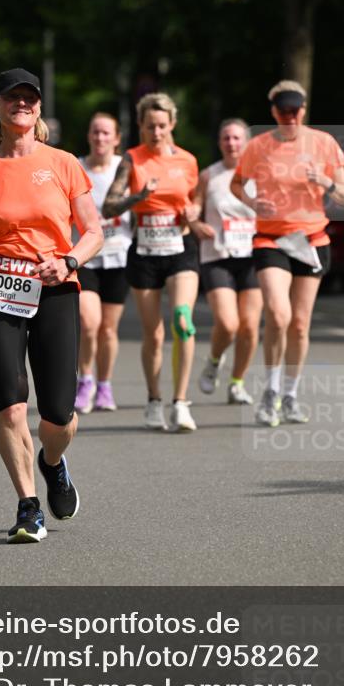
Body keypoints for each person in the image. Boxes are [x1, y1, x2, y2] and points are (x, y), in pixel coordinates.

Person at [0, 68, 102, 543]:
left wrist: (70, 260)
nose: (22, 104)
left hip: (55, 286)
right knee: (11, 405)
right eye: (12, 97)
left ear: (38, 108)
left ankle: (52, 461)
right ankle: (27, 506)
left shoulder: (63, 163)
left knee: (58, 414)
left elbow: (94, 231)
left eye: (30, 98)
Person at [230, 81, 344, 425]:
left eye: (295, 111)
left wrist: (326, 182)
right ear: (273, 112)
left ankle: (290, 394)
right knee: (278, 314)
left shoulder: (324, 144)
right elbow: (236, 183)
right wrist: (254, 202)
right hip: (270, 240)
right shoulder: (258, 146)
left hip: (311, 240)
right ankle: (269, 392)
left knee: (299, 325)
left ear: (304, 109)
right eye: (283, 112)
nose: (290, 117)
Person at [102, 92, 200, 432]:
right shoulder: (131, 160)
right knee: (154, 335)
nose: (156, 133)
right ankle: (155, 399)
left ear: (172, 124)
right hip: (144, 251)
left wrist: (194, 212)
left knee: (182, 320)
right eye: (149, 127)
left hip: (180, 247)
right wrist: (139, 197)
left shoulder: (187, 161)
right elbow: (108, 207)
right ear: (141, 126)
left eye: (161, 126)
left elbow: (195, 202)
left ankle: (181, 402)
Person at [191, 119, 262, 404]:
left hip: (253, 256)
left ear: (246, 142)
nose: (232, 144)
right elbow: (194, 208)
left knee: (249, 326)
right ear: (220, 143)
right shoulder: (209, 175)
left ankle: (237, 382)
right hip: (217, 255)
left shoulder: (260, 176)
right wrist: (196, 224)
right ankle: (214, 361)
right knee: (228, 323)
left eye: (236, 138)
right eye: (226, 139)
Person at [74, 113, 133, 413]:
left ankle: (105, 386)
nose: (100, 138)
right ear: (89, 136)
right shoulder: (77, 167)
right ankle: (85, 381)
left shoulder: (126, 169)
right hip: (85, 256)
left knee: (108, 330)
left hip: (118, 256)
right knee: (88, 323)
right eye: (95, 132)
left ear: (117, 138)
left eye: (106, 133)